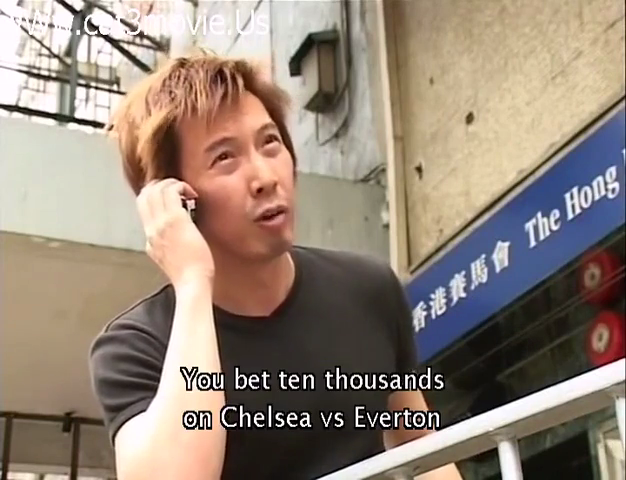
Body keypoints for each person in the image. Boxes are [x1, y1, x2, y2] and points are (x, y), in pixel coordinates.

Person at [88, 51, 463, 480]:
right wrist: (192, 282)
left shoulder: (369, 289)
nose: (265, 177)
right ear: (176, 199)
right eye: (224, 158)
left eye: (270, 143)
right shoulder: (135, 347)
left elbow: (421, 451)